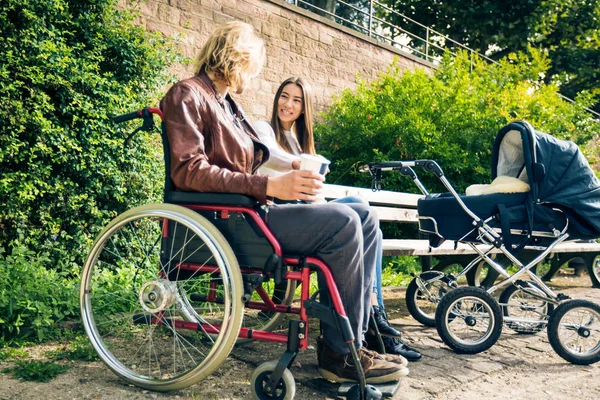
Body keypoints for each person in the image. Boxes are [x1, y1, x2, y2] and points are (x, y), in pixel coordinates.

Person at [159, 21, 409, 384]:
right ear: (237, 59)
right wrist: (270, 186)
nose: (254, 76)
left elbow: (251, 160)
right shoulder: (188, 94)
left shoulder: (225, 102)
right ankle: (339, 354)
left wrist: (286, 181)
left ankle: (357, 335)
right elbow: (188, 171)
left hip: (248, 212)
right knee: (344, 222)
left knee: (363, 215)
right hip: (227, 218)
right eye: (253, 66)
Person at [253, 77, 422, 361]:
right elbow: (270, 154)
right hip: (279, 211)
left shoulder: (298, 140)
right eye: (284, 96)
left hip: (303, 209)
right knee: (357, 213)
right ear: (276, 99)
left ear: (304, 109)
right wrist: (300, 163)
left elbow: (312, 195)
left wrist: (319, 192)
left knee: (362, 209)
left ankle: (370, 314)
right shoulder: (263, 129)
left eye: (296, 100)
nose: (288, 104)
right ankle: (369, 320)